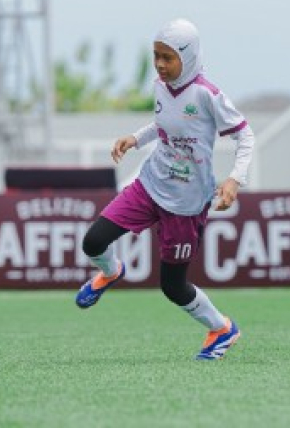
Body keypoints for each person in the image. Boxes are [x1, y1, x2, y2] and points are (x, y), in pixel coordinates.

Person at [74, 18, 255, 361]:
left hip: (186, 205)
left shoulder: (207, 95)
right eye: (156, 55)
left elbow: (245, 136)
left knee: (173, 287)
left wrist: (234, 179)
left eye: (167, 57)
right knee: (93, 241)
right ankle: (111, 272)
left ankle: (221, 328)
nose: (159, 64)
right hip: (150, 183)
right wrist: (135, 138)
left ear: (188, 57)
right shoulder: (160, 85)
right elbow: (163, 124)